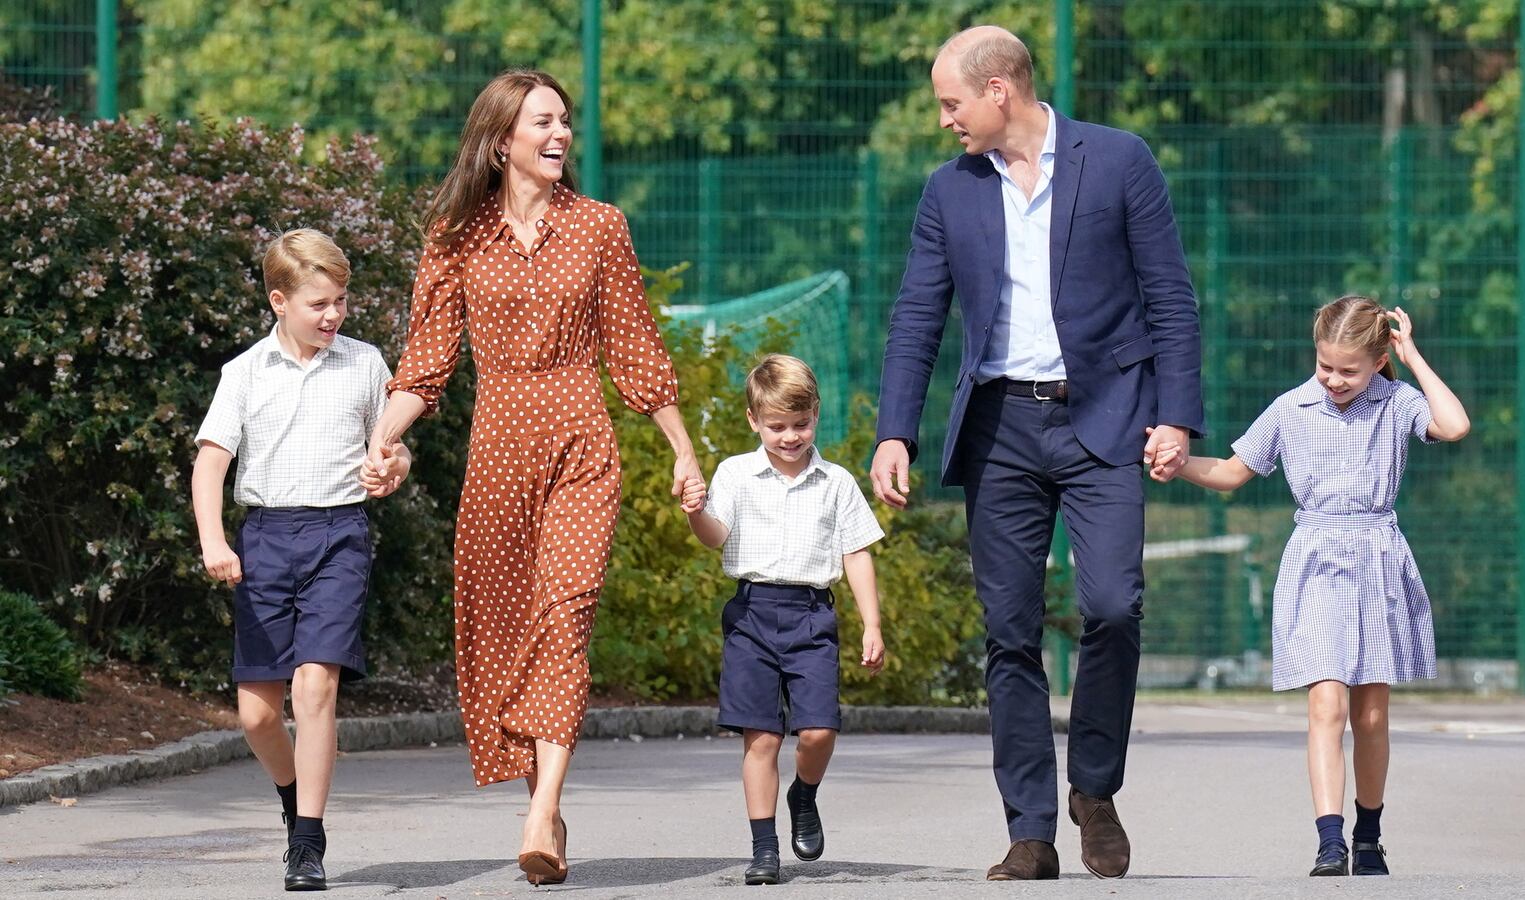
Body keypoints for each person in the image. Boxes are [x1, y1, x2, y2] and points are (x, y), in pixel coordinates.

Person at [869, 26, 1204, 880]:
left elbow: (1171, 296)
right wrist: (895, 430)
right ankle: (1030, 828)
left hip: (1106, 420)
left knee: (1114, 605)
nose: (945, 120)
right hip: (1001, 431)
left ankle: (1093, 786)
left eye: (951, 103)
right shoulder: (950, 191)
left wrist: (1177, 417)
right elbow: (917, 314)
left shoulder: (1119, 161)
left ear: (999, 92)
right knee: (1010, 631)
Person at [365, 69, 702, 886]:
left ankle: (541, 807)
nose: (560, 136)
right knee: (510, 632)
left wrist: (683, 448)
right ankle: (543, 799)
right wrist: (383, 439)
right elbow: (426, 361)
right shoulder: (456, 238)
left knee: (568, 613)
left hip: (581, 441)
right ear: (500, 138)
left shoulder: (599, 227)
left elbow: (633, 345)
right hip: (498, 453)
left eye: (565, 123)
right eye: (543, 122)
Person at [1151, 296, 1468, 876]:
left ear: (1377, 361)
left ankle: (1369, 834)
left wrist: (1413, 356)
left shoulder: (1397, 403)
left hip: (1377, 559)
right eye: (1326, 366)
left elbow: (1454, 424)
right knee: (1326, 704)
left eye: (1349, 369)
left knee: (1371, 713)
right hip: (1316, 561)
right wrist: (1180, 464)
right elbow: (1230, 470)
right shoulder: (1291, 407)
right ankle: (1330, 840)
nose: (1334, 379)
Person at [192, 228, 411, 891]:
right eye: (319, 303)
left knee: (316, 683)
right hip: (264, 539)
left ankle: (308, 844)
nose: (333, 315)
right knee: (257, 713)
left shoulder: (366, 364)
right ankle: (293, 800)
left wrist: (393, 464)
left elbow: (392, 448)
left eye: (341, 301)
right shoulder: (245, 372)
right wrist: (214, 540)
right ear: (279, 301)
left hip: (341, 535)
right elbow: (209, 467)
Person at [679, 354, 886, 886]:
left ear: (815, 414)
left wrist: (872, 624)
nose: (790, 436)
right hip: (751, 614)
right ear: (754, 421)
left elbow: (857, 552)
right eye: (776, 427)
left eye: (800, 424)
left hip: (811, 616)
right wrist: (695, 512)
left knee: (818, 731)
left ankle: (805, 794)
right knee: (762, 737)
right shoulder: (735, 473)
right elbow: (716, 536)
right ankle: (764, 847)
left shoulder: (835, 482)